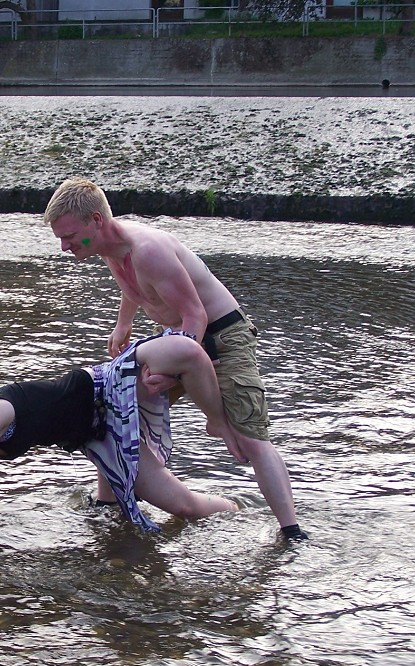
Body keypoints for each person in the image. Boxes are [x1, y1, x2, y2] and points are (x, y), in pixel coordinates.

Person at [43, 177, 309, 542]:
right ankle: (108, 503)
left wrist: (175, 371)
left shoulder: (148, 250)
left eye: (69, 236)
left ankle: (291, 530)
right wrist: (123, 327)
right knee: (114, 404)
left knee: (250, 437)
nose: (64, 246)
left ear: (96, 221)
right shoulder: (108, 248)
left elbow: (195, 315)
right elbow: (135, 289)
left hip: (222, 339)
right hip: (181, 341)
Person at [0, 333, 239, 561]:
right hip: (90, 433)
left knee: (184, 507)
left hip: (105, 399)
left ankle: (237, 515)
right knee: (130, 514)